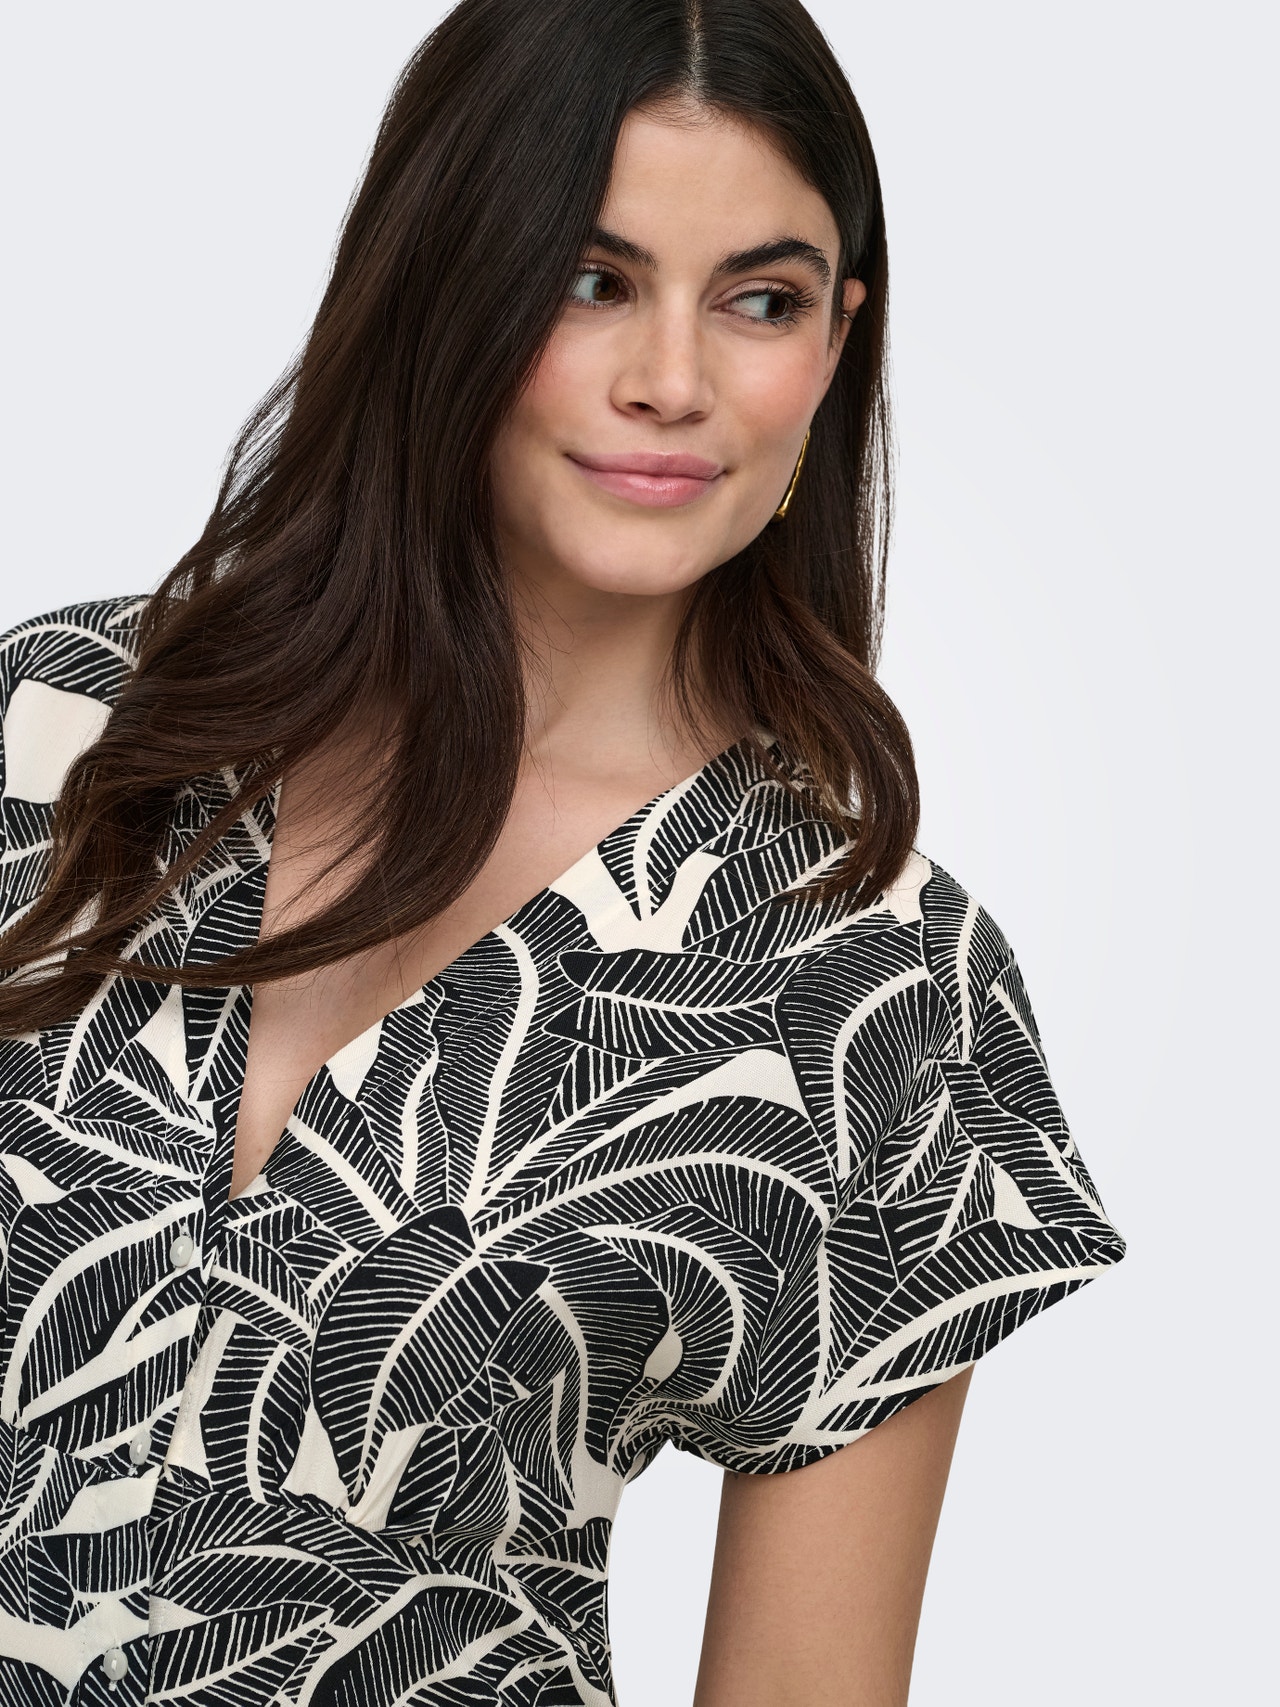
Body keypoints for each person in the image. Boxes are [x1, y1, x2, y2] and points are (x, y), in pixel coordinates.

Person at [0, 1, 1125, 1701]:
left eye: (759, 299)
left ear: (838, 341)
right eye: (592, 279)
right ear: (441, 281)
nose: (671, 380)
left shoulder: (878, 989)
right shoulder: (58, 736)